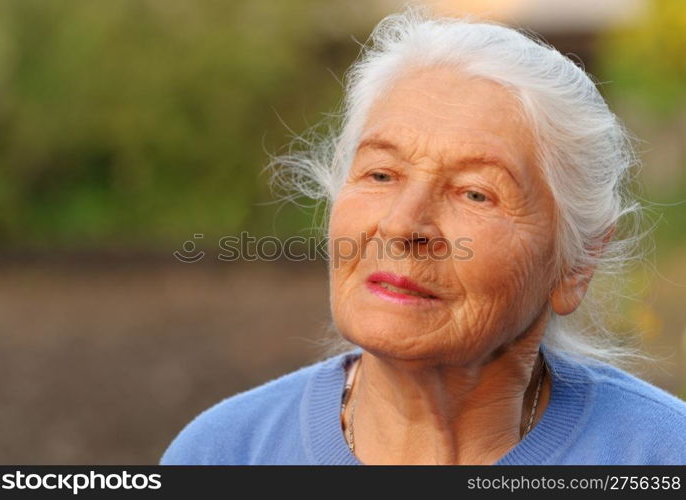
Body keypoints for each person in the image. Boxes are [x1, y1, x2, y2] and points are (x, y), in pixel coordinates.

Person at [160, 9, 686, 465]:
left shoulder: (660, 455)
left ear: (577, 264)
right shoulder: (224, 455)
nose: (402, 225)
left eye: (476, 194)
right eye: (381, 175)